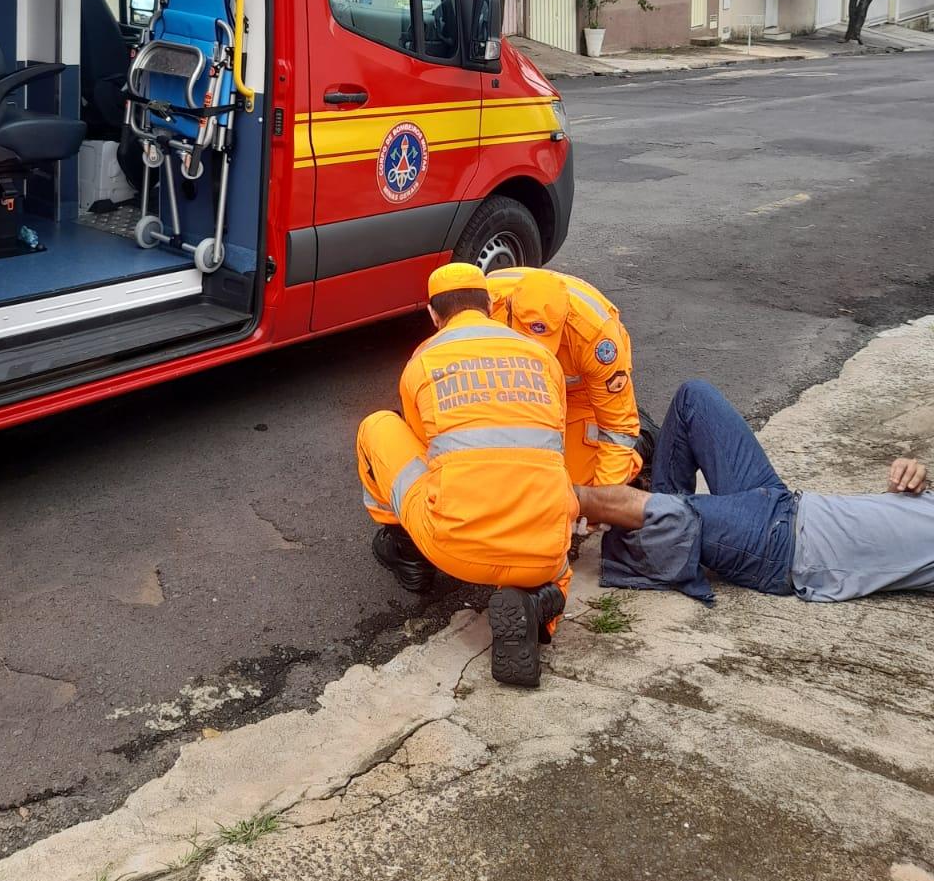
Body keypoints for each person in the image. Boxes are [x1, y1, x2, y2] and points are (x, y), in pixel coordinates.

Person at [357, 263, 578, 686]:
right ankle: (540, 604)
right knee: (549, 483)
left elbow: (423, 451)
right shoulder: (542, 359)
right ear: (492, 305)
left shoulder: (424, 361)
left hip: (455, 548)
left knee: (379, 425)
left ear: (432, 314)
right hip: (544, 548)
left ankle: (405, 550)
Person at [576, 379, 934, 603]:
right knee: (694, 398)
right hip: (784, 502)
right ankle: (657, 541)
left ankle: (534, 494)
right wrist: (905, 485)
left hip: (782, 548)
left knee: (619, 503)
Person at [488, 267, 649, 488]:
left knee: (572, 485)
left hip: (579, 396)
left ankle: (644, 441)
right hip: (510, 389)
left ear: (565, 320)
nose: (538, 355)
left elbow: (617, 429)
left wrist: (602, 506)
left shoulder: (596, 338)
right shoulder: (486, 304)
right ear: (508, 310)